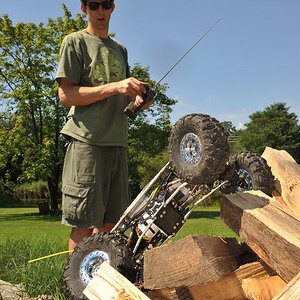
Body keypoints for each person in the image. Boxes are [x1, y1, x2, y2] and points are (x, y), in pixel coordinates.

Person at [55, 0, 153, 251]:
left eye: (105, 4)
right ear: (83, 8)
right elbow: (66, 96)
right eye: (94, 4)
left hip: (117, 143)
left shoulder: (120, 49)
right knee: (84, 224)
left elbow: (123, 96)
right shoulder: (74, 42)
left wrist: (139, 100)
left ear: (113, 8)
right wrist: (116, 87)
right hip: (87, 141)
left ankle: (102, 285)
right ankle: (77, 288)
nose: (100, 11)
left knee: (111, 225)